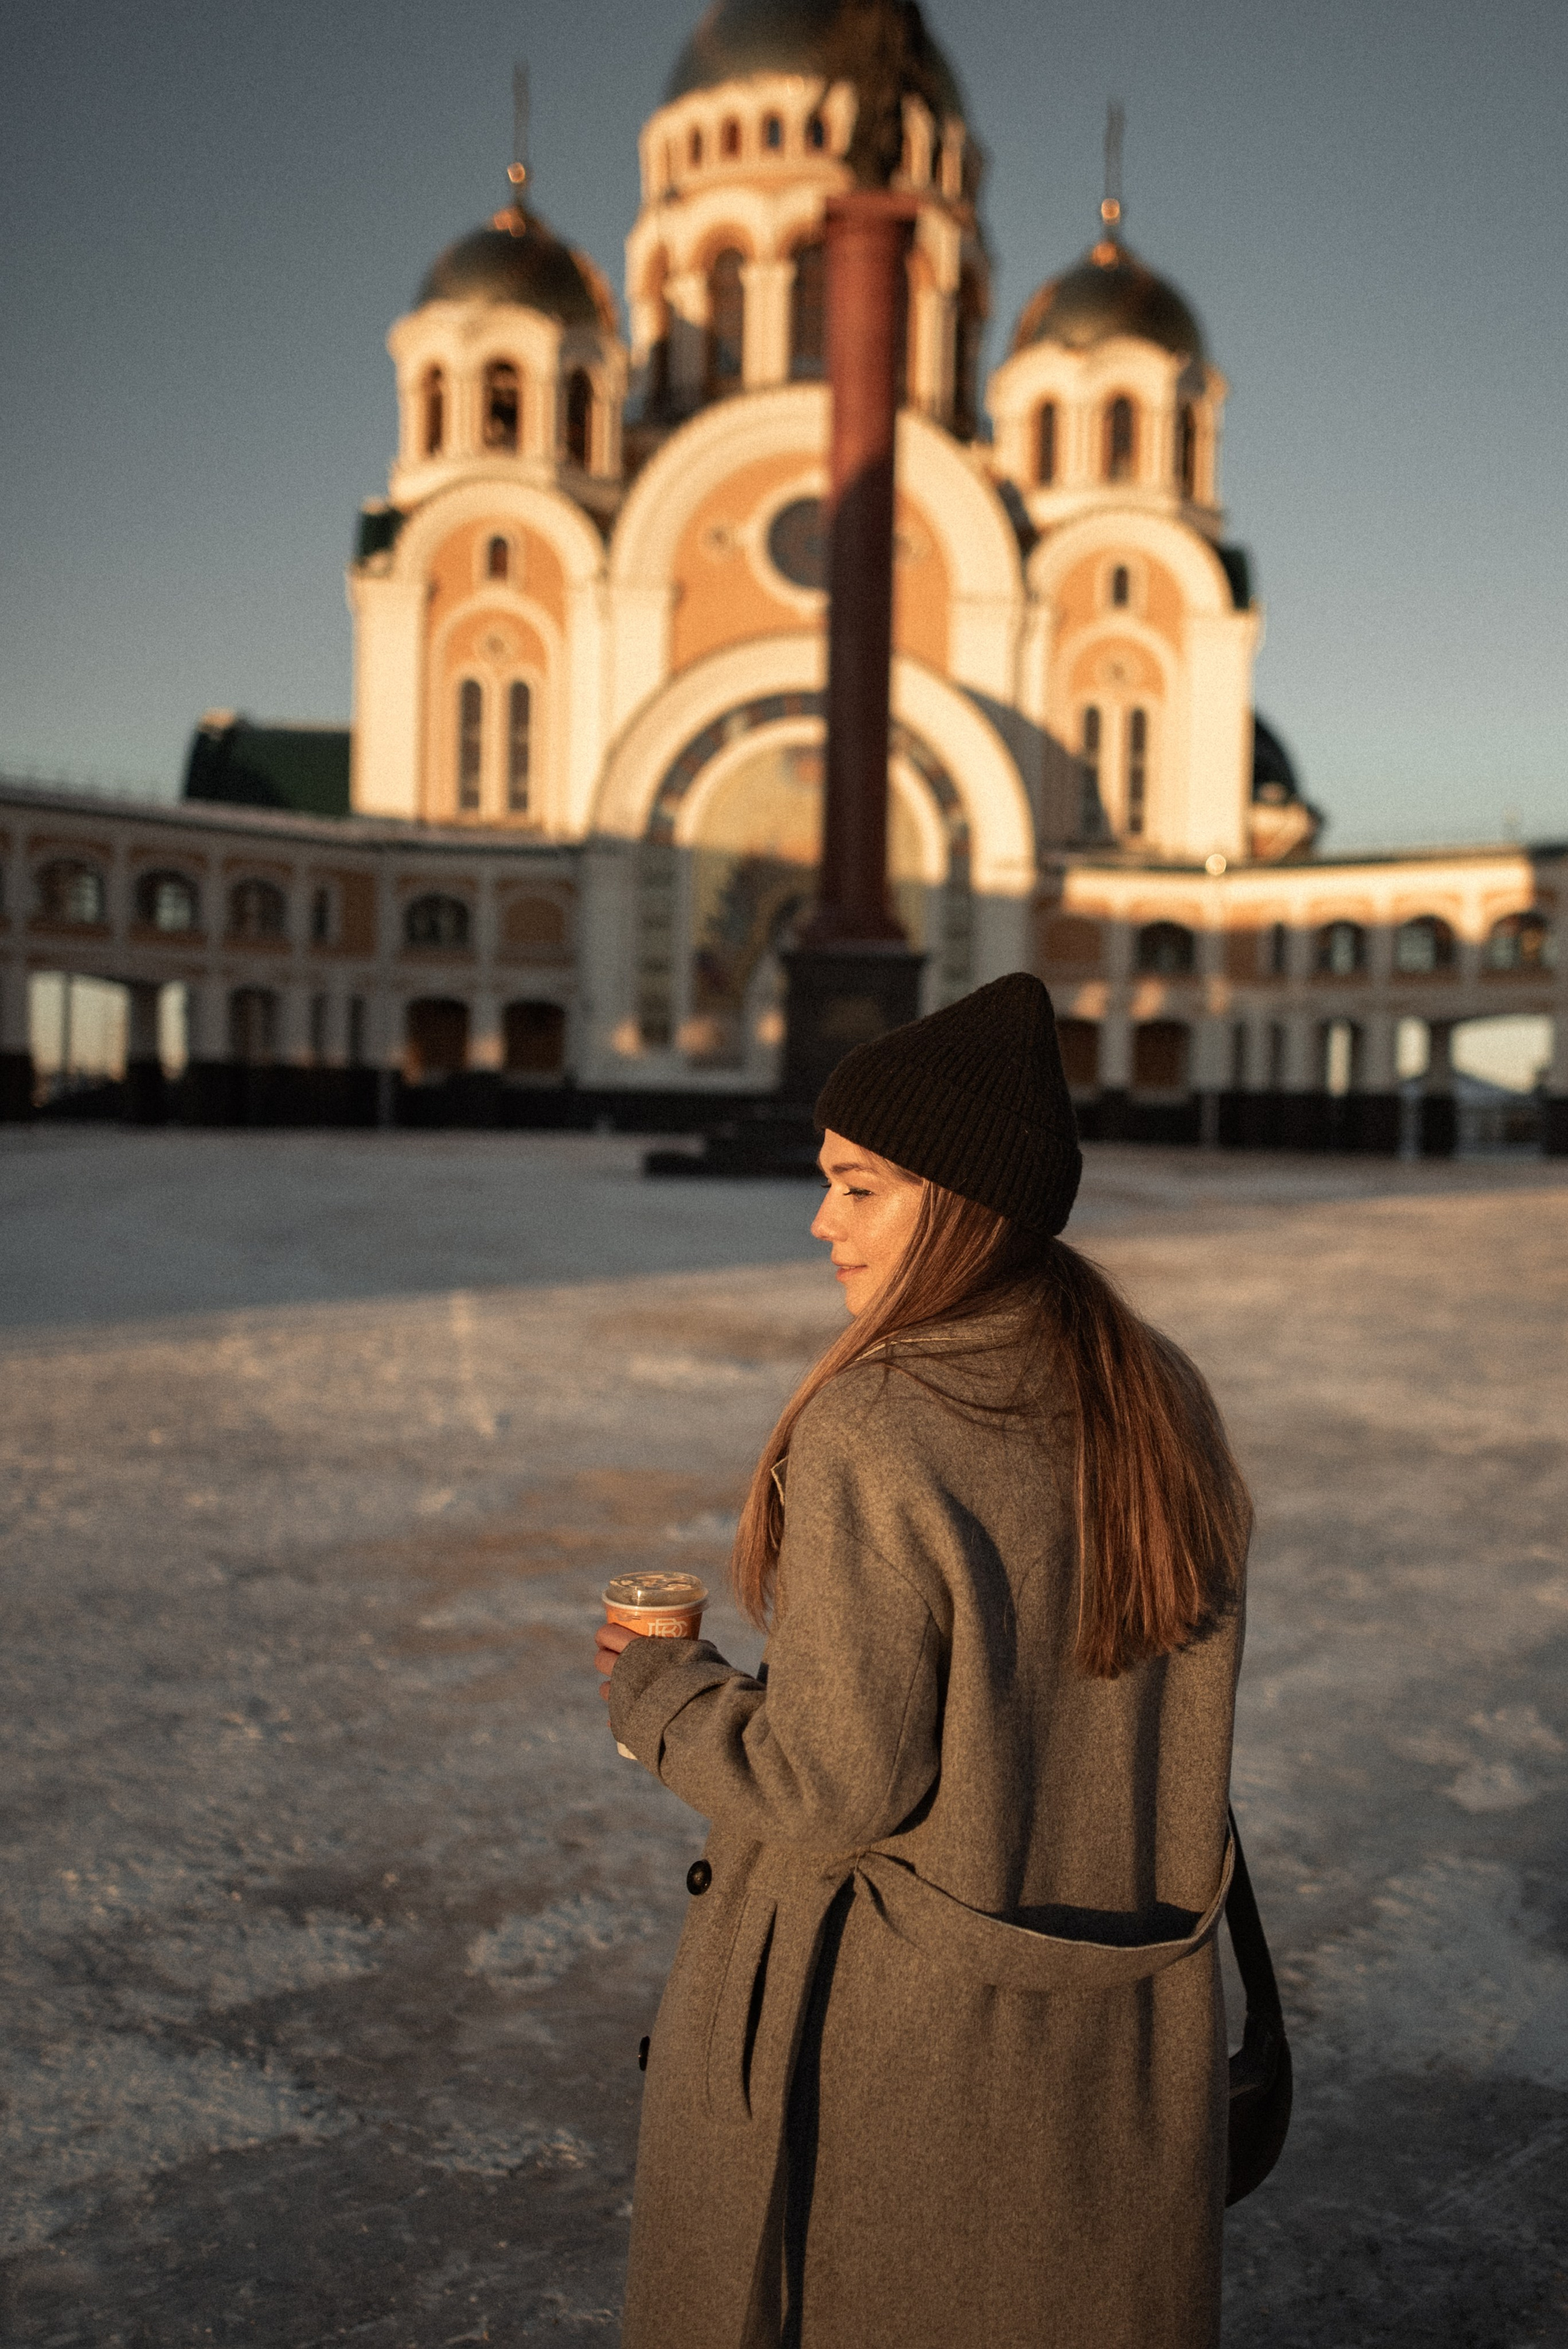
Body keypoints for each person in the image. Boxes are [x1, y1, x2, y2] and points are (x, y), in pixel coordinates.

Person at [594, 971, 1252, 2349]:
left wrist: (660, 1693)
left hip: (898, 2058)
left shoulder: (882, 1418)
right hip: (1112, 2032)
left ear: (956, 1199)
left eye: (859, 1188)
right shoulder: (1155, 1389)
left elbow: (831, 1787)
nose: (820, 1222)